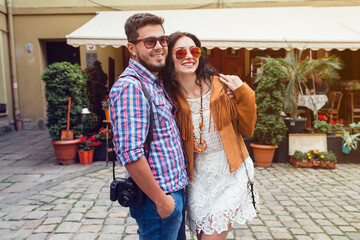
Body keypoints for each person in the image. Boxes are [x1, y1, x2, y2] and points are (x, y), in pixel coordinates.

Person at [162, 32, 258, 240]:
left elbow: (248, 128)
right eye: (180, 52)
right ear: (170, 58)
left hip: (230, 171)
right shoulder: (169, 97)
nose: (189, 56)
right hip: (197, 179)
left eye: (194, 50)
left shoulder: (222, 86)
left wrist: (243, 93)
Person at [108, 14, 188, 240]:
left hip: (172, 195)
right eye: (150, 41)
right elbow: (131, 155)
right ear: (131, 48)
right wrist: (162, 201)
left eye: (163, 40)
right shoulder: (130, 87)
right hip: (158, 201)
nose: (159, 47)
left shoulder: (155, 82)